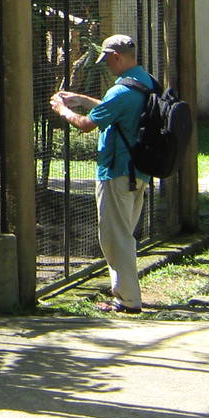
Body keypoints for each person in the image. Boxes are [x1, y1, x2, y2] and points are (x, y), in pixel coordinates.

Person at [49, 33, 155, 314]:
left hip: (117, 172)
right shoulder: (146, 82)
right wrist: (82, 98)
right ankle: (124, 296)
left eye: (107, 60)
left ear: (116, 57)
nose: (106, 65)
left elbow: (85, 125)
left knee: (114, 238)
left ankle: (129, 301)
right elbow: (116, 111)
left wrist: (63, 109)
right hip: (139, 170)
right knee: (123, 235)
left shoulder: (120, 91)